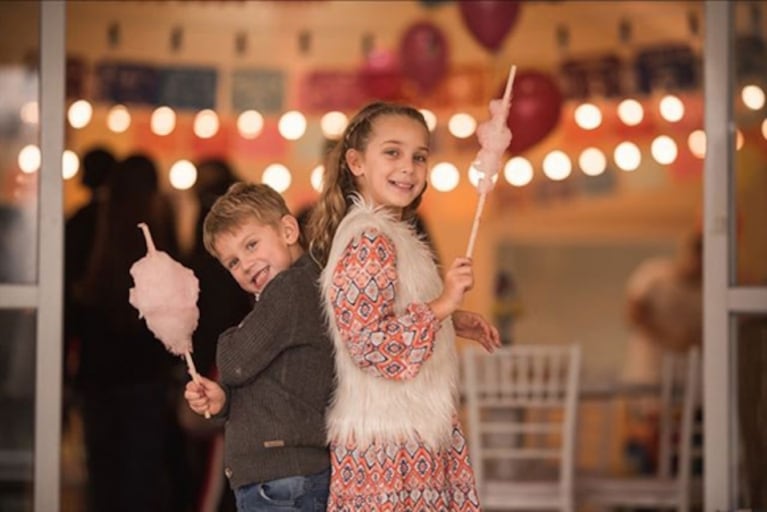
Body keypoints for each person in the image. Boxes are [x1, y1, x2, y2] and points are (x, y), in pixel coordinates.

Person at [306, 101, 501, 511]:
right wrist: (443, 303)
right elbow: (368, 344)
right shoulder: (369, 239)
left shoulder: (395, 236)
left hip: (409, 436)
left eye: (419, 156)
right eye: (392, 152)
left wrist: (452, 318)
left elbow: (387, 314)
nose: (408, 167)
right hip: (389, 448)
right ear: (356, 162)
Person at [183, 182, 334, 512]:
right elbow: (278, 383)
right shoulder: (298, 287)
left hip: (281, 478)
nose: (246, 264)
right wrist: (224, 400)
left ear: (288, 230)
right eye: (233, 262)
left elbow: (234, 361)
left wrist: (230, 337)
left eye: (252, 245)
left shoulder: (288, 290)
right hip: (289, 474)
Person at [73, 153, 184, 512]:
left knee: (102, 474)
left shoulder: (83, 224)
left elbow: (71, 307)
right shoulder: (158, 232)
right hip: (145, 375)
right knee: (143, 475)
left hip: (96, 372)